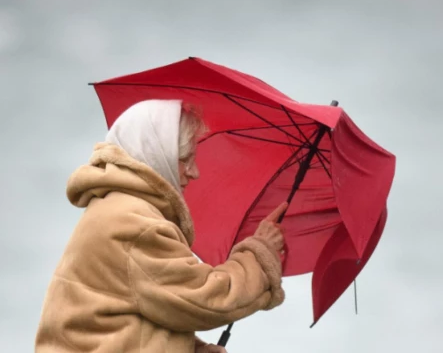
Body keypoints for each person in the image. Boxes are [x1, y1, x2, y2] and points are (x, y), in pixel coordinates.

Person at [35, 99, 288, 353]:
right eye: (185, 159)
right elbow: (207, 299)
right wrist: (260, 253)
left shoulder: (116, 209)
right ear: (157, 154)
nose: (194, 172)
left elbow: (134, 316)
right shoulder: (134, 223)